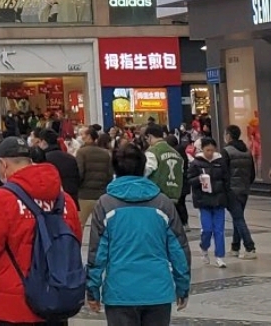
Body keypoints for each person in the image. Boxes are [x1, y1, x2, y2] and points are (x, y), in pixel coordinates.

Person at [0, 136, 83, 326]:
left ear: (2, 164)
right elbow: (75, 241)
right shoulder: (64, 200)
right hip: (55, 297)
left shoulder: (3, 197)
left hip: (14, 304)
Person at [86, 143, 190, 326]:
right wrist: (183, 286)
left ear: (115, 169)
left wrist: (92, 290)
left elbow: (97, 253)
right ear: (143, 168)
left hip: (120, 292)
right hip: (157, 291)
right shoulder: (163, 203)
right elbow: (178, 250)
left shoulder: (105, 204)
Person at [188, 137, 228, 268]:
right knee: (207, 229)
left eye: (212, 150)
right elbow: (189, 179)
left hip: (219, 200)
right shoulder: (196, 163)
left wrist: (227, 196)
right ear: (202, 150)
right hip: (204, 201)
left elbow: (227, 180)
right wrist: (198, 179)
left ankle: (219, 256)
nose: (210, 153)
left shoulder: (220, 162)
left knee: (219, 230)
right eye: (207, 150)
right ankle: (204, 246)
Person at [223, 125, 257, 258]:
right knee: (238, 217)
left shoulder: (227, 151)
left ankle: (250, 247)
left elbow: (224, 173)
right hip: (244, 189)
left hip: (232, 190)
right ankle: (235, 247)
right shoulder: (247, 151)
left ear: (229, 135)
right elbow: (252, 174)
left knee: (238, 218)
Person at [76, 127, 114, 229]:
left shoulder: (81, 152)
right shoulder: (106, 153)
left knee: (80, 225)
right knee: (102, 226)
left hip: (85, 195)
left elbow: (79, 173)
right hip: (102, 194)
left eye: (83, 134)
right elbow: (110, 174)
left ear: (89, 136)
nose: (81, 137)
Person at [40, 128, 80, 204]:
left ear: (44, 142)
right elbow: (77, 179)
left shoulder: (44, 159)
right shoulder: (71, 158)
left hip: (53, 202)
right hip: (72, 200)